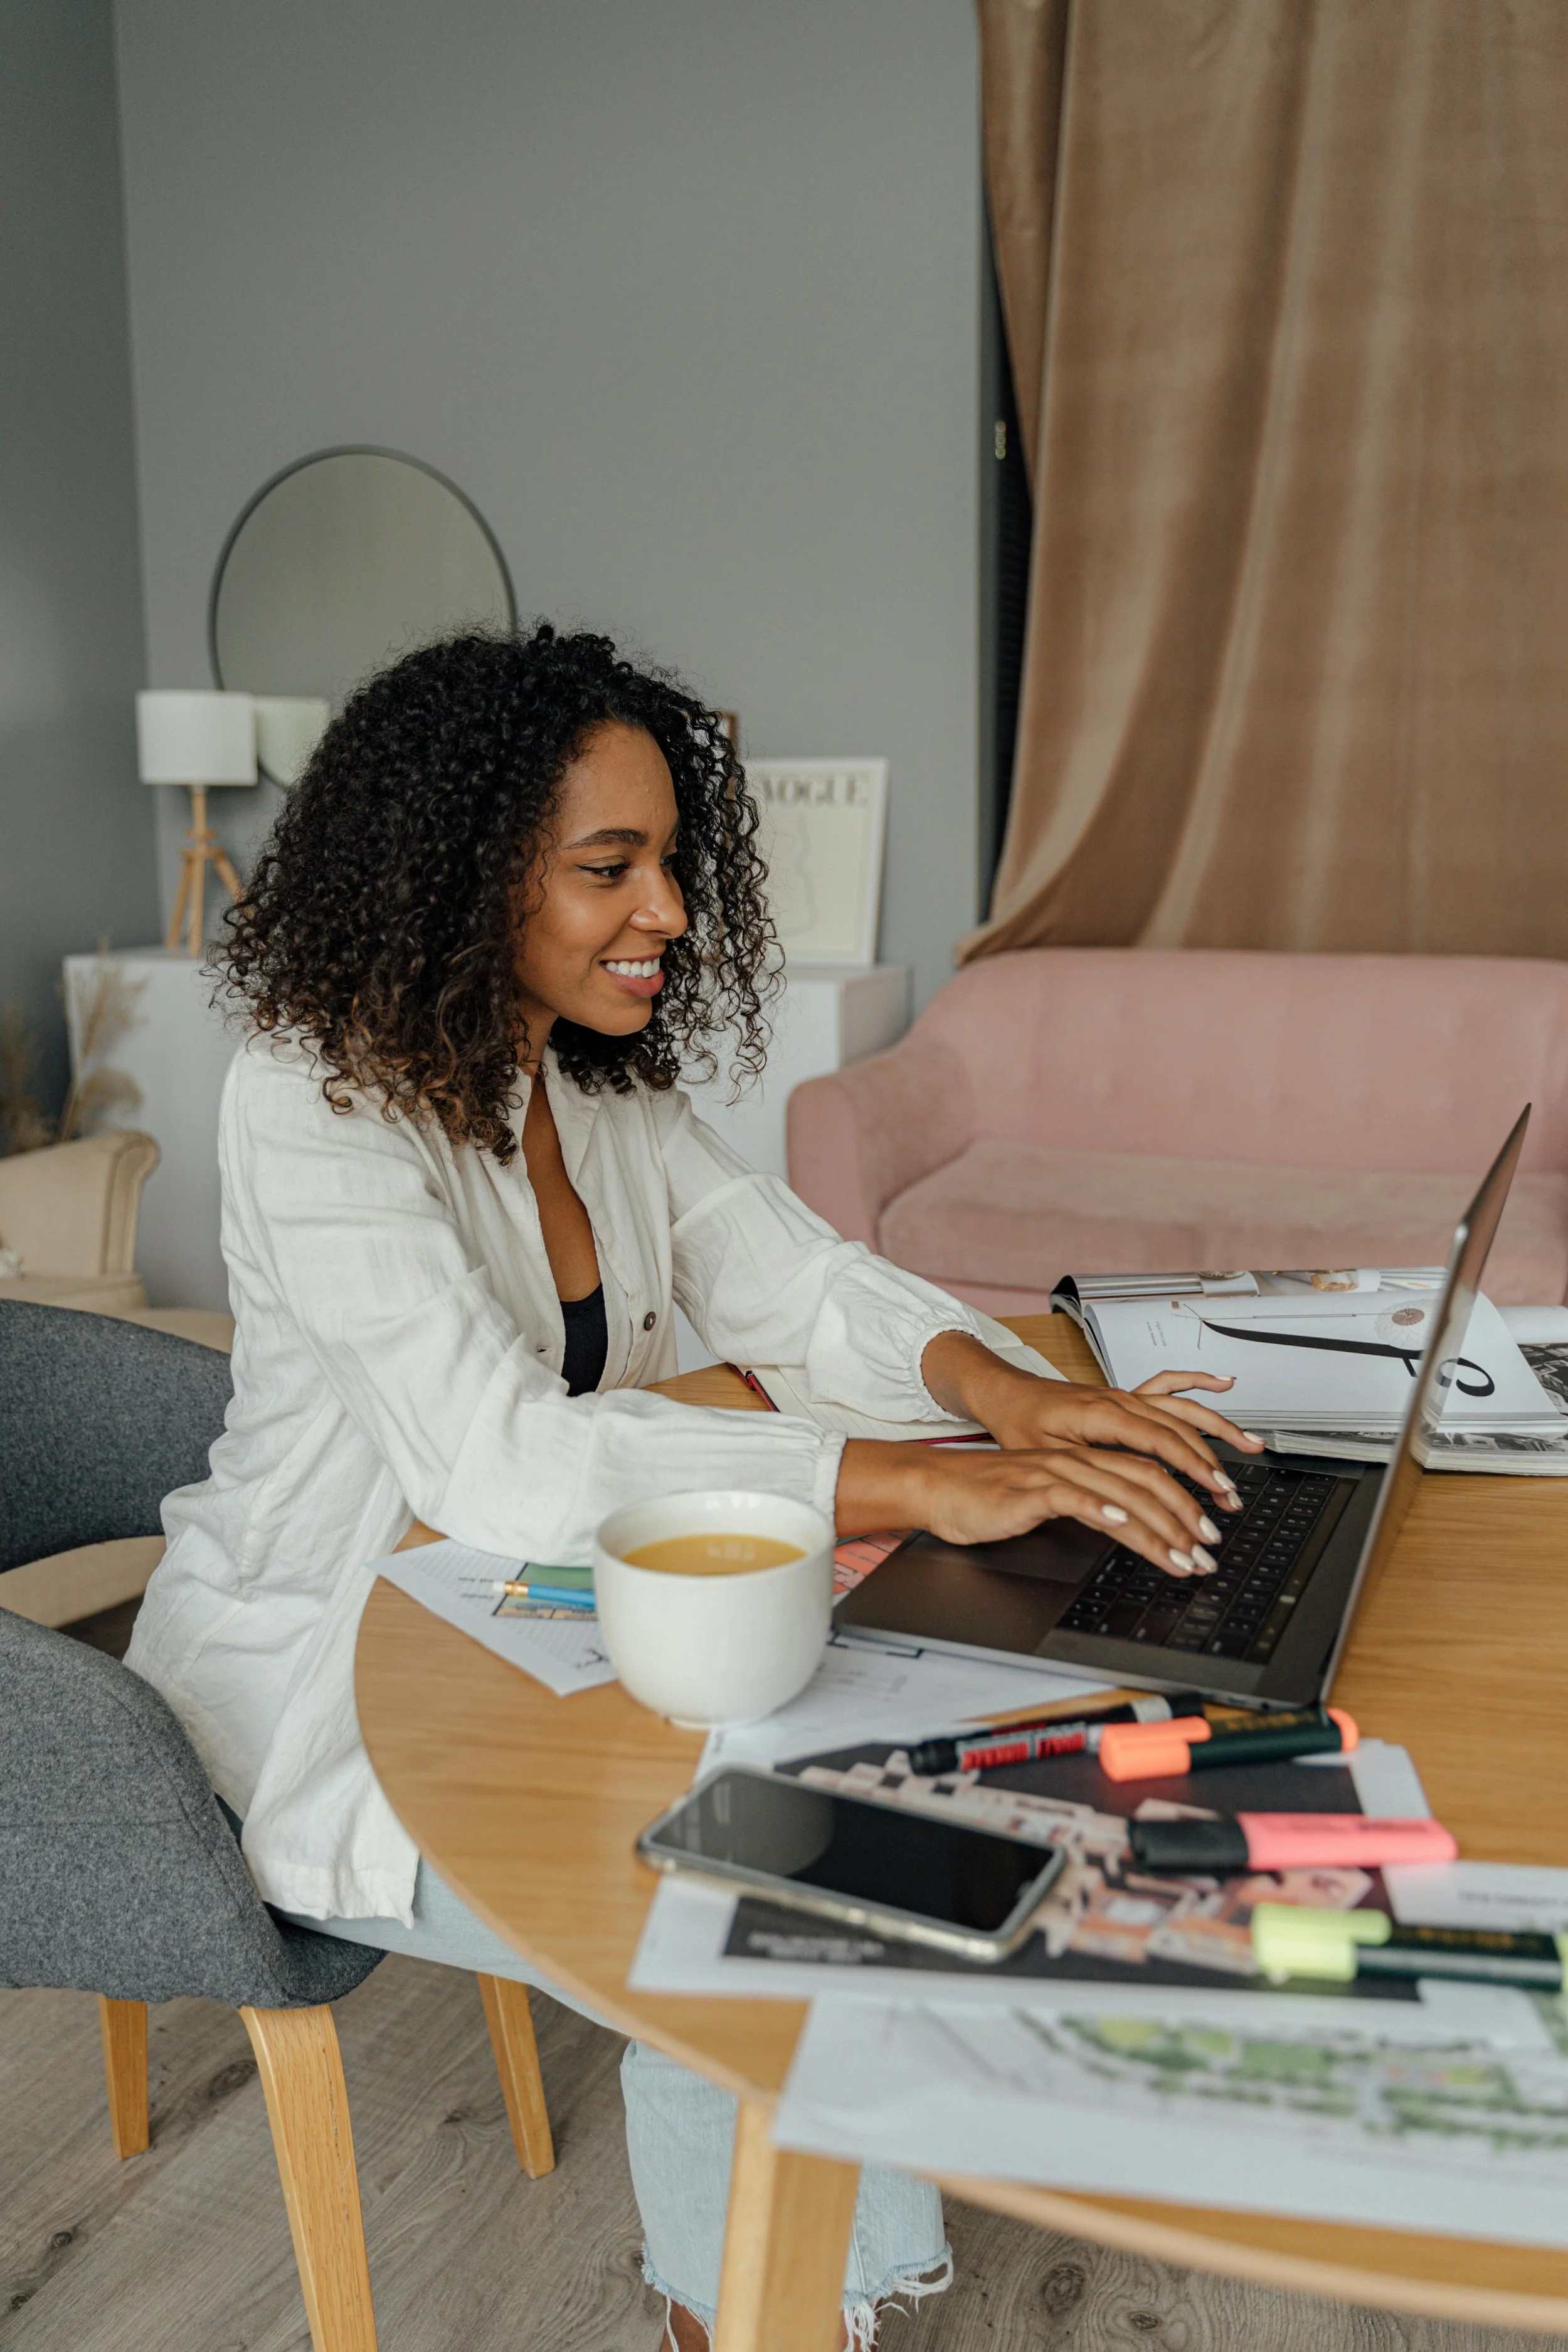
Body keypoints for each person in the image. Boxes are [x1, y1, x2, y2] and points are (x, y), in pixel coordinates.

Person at [127, 625, 1258, 2349]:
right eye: (609, 867)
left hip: (521, 1619)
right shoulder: (314, 1107)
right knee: (724, 1909)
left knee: (856, 1805)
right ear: (462, 872)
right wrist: (919, 1482)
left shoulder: (590, 1083)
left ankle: (799, 2308)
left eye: (669, 859)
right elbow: (493, 1452)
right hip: (324, 1682)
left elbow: (792, 1284)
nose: (666, 908)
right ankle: (750, 2320)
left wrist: (1012, 1396)